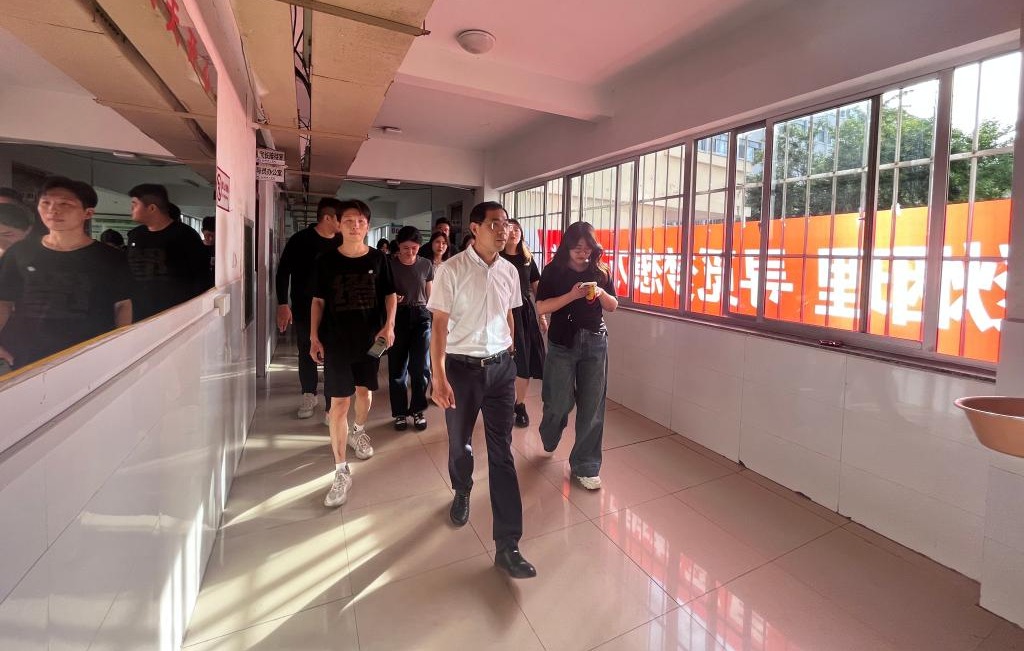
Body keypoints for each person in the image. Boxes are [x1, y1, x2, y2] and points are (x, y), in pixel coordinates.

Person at [428, 200, 535, 579]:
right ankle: (462, 488)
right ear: (474, 228)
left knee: (502, 452)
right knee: (460, 443)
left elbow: (508, 314)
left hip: (501, 369)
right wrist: (438, 376)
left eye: (506, 224)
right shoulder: (452, 270)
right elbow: (439, 326)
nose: (503, 230)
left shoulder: (509, 271)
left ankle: (508, 544)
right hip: (462, 370)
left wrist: (510, 350)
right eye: (495, 224)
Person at [310, 199, 396, 508]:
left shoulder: (379, 259)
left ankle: (358, 431)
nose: (355, 225)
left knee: (364, 392)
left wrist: (389, 325)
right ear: (338, 224)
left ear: (368, 226)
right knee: (339, 403)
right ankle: (340, 470)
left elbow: (390, 295)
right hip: (336, 342)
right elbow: (318, 301)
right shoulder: (326, 261)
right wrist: (313, 337)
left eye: (360, 221)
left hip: (371, 340)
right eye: (348, 220)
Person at [0, 177, 132, 370]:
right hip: (28, 353)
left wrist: (122, 343)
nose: (53, 210)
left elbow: (122, 304)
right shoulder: (20, 252)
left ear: (88, 213)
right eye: (46, 203)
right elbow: (4, 300)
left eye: (65, 204)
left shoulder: (111, 257)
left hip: (91, 352)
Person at [535, 221, 618, 491]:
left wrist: (601, 292)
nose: (583, 253)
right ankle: (550, 431)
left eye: (587, 248)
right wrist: (572, 295)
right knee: (558, 402)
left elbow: (613, 306)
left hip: (595, 341)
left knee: (592, 406)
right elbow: (541, 307)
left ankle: (586, 465)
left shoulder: (601, 271)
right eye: (577, 248)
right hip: (562, 343)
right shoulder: (554, 270)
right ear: (567, 247)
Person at [276, 197, 342, 419]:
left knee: (332, 354)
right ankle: (309, 393)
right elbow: (283, 272)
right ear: (328, 218)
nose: (344, 223)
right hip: (304, 307)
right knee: (306, 350)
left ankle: (330, 405)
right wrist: (282, 304)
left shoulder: (342, 241)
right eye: (340, 218)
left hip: (334, 310)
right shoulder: (300, 240)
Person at [126, 184, 211, 320]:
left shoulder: (186, 236)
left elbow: (201, 279)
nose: (131, 209)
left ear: (152, 208)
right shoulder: (135, 235)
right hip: (140, 315)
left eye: (135, 204)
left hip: (177, 315)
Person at [500, 219, 546, 427]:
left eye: (517, 229)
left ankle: (519, 404)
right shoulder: (497, 258)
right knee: (502, 362)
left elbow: (537, 290)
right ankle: (500, 403)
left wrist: (542, 316)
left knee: (524, 362)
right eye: (509, 229)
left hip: (523, 314)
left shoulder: (527, 259)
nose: (514, 233)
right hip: (500, 313)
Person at [388, 226, 434, 431]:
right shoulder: (390, 265)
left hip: (421, 316)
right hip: (397, 316)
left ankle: (418, 409)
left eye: (414, 248)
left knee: (420, 367)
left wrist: (435, 317)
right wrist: (393, 298)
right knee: (398, 368)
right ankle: (399, 412)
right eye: (406, 248)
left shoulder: (426, 264)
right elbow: (382, 293)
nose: (410, 252)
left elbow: (430, 294)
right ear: (399, 246)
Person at [201, 216, 216, 288]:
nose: (210, 239)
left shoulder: (220, 248)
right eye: (208, 235)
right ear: (202, 231)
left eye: (213, 235)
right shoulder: (196, 247)